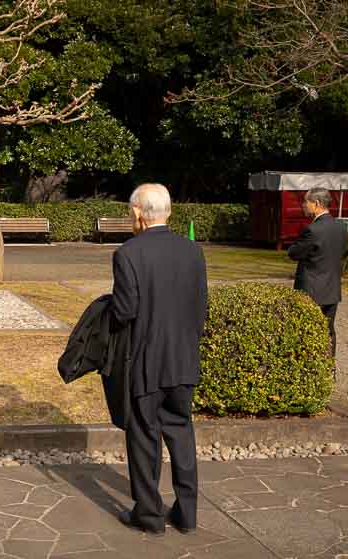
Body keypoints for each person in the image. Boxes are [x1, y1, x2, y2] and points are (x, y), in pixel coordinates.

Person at [111, 183, 208, 535]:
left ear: (138, 212)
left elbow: (124, 311)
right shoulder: (193, 251)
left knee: (143, 437)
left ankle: (150, 515)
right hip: (184, 359)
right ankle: (187, 513)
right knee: (181, 433)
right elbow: (201, 308)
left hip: (146, 361)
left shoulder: (129, 253)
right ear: (168, 211)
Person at [288, 188, 348, 358]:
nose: (303, 205)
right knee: (328, 331)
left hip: (311, 290)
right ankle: (329, 369)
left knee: (305, 332)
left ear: (317, 204)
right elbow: (341, 252)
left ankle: (309, 371)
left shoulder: (313, 230)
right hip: (332, 289)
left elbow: (293, 252)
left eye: (305, 202)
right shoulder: (341, 227)